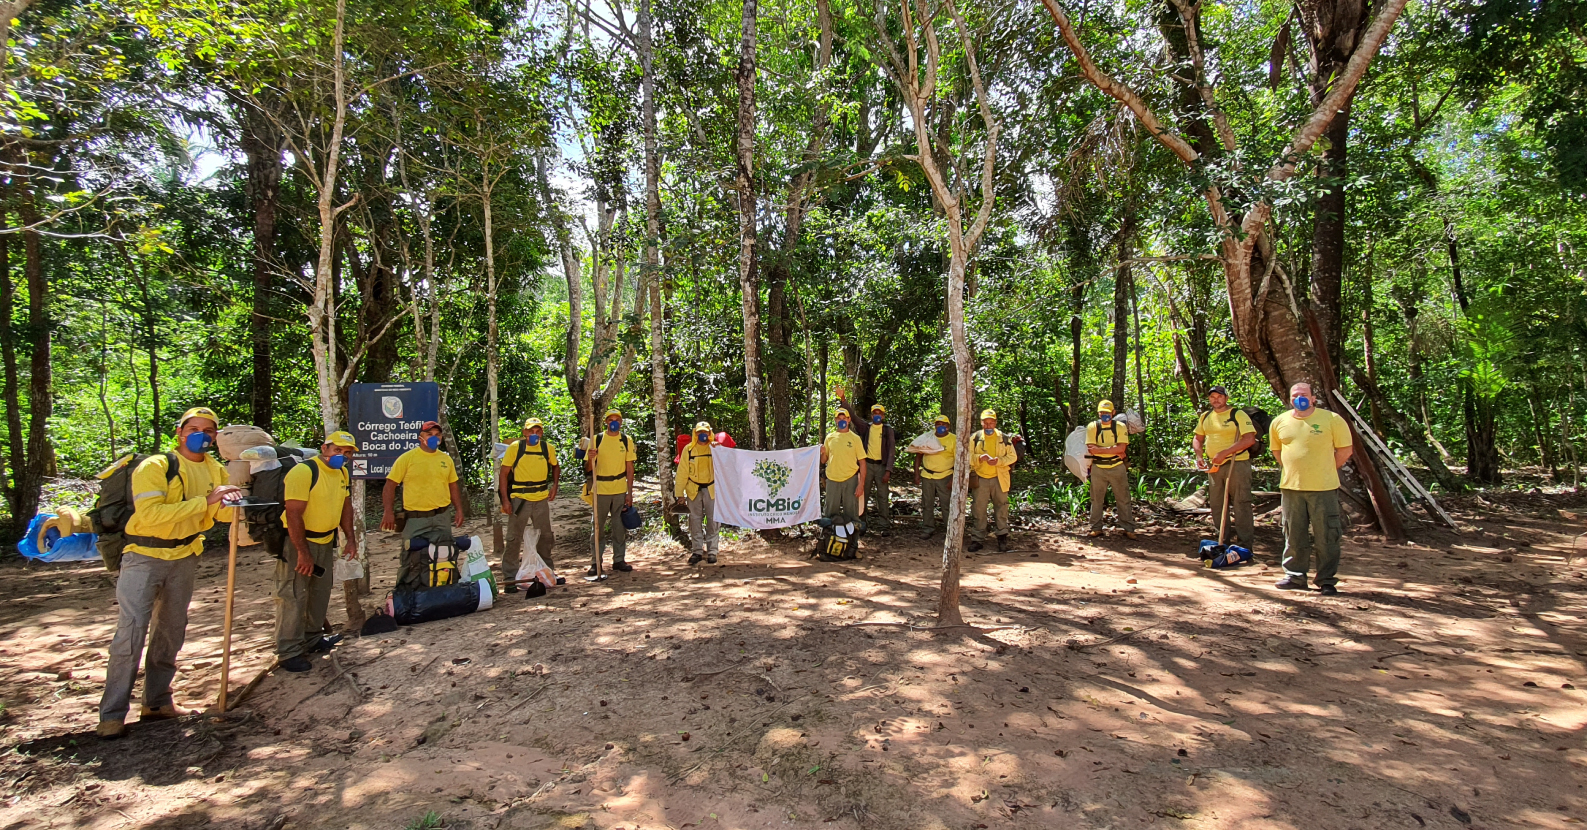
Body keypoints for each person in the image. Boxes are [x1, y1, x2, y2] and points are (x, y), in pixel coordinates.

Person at [97, 406, 240, 739]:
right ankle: (112, 715)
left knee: (171, 630)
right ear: (180, 432)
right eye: (194, 429)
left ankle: (157, 702)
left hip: (185, 555)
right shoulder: (156, 466)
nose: (202, 435)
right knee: (131, 633)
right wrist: (206, 502)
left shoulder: (216, 469)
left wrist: (234, 502)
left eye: (209, 430)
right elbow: (150, 515)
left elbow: (219, 515)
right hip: (144, 556)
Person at [276, 431, 359, 673]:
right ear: (325, 448)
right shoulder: (304, 472)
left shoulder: (342, 473)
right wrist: (302, 552)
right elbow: (293, 513)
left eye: (347, 452)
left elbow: (345, 506)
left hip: (325, 540)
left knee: (320, 592)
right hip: (299, 542)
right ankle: (289, 650)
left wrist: (350, 539)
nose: (342, 456)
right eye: (338, 450)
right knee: (294, 594)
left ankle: (312, 638)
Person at [1270, 382, 1353, 594]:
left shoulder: (1332, 419)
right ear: (1290, 399)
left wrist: (1325, 469)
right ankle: (1295, 576)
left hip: (1323, 488)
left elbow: (1345, 450)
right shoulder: (1279, 422)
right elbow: (1277, 452)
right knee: (1293, 533)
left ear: (1313, 398)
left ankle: (1326, 580)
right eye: (1295, 395)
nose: (1300, 398)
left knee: (1326, 534)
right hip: (1291, 488)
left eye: (1304, 395)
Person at [380, 420, 464, 591]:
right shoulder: (407, 458)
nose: (434, 438)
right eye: (429, 434)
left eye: (437, 435)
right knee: (410, 557)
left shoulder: (445, 459)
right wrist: (388, 511)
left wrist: (459, 509)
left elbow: (453, 485)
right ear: (421, 437)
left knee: (444, 554)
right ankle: (404, 593)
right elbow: (390, 485)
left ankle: (444, 591)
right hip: (415, 519)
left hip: (441, 516)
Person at [498, 418, 560, 592]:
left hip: (541, 498)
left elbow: (555, 466)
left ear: (542, 433)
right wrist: (505, 500)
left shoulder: (547, 448)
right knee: (513, 538)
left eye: (538, 431)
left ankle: (547, 572)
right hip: (520, 499)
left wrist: (555, 486)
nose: (534, 434)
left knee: (545, 537)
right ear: (524, 432)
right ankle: (510, 578)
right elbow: (504, 474)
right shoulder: (515, 448)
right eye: (531, 431)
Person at [1193, 385, 1257, 550]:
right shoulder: (1206, 416)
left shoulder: (1238, 414)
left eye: (1219, 396)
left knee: (1241, 503)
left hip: (1237, 463)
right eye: (1212, 397)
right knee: (1217, 504)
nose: (1216, 400)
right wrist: (1199, 456)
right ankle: (1222, 541)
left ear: (1226, 398)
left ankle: (1244, 546)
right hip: (1214, 466)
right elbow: (1198, 438)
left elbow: (1249, 439)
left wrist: (1225, 453)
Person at [588, 408, 637, 574]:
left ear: (621, 422)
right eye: (610, 420)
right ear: (606, 422)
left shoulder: (626, 440)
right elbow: (588, 468)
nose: (614, 423)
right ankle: (596, 562)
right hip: (600, 488)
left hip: (619, 489)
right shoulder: (596, 439)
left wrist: (629, 493)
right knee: (597, 527)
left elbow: (629, 467)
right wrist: (591, 457)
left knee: (619, 527)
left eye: (617, 420)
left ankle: (619, 560)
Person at [967, 409, 1016, 552]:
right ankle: (977, 539)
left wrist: (998, 461)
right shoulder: (974, 438)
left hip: (999, 478)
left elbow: (1012, 457)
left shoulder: (1004, 438)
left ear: (995, 422)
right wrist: (978, 458)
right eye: (986, 423)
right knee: (979, 509)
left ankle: (1002, 537)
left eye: (991, 422)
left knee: (1001, 507)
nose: (988, 426)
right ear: (981, 423)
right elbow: (965, 456)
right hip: (980, 478)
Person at [1086, 400, 1137, 539]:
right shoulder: (1092, 427)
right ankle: (1096, 528)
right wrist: (1112, 449)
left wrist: (1100, 450)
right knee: (1096, 499)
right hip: (1098, 468)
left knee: (1123, 498)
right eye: (1102, 412)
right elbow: (1091, 449)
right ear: (1098, 413)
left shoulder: (1120, 426)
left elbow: (1122, 448)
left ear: (1113, 412)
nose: (1105, 415)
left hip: (1117, 467)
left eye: (1107, 412)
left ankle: (1128, 528)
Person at [675, 421, 719, 565]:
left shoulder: (715, 449)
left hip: (711, 489)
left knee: (713, 520)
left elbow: (726, 467)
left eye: (705, 432)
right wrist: (679, 494)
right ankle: (697, 551)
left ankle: (712, 551)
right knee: (694, 521)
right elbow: (682, 473)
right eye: (700, 432)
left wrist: (719, 448)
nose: (702, 434)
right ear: (695, 433)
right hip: (693, 489)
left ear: (709, 433)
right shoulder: (689, 449)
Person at [914, 414, 956, 540]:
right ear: (935, 425)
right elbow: (918, 455)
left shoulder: (954, 440)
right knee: (927, 504)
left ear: (948, 426)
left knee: (946, 504)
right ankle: (928, 528)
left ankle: (950, 531)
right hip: (927, 475)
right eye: (938, 424)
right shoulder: (928, 437)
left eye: (943, 424)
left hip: (945, 475)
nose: (941, 426)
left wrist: (953, 479)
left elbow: (959, 461)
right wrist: (916, 473)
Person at [820, 408, 866, 521]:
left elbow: (862, 463)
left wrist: (861, 485)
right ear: (835, 420)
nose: (841, 421)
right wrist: (822, 452)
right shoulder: (830, 437)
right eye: (839, 418)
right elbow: (823, 460)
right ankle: (828, 531)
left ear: (849, 419)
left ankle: (852, 532)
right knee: (830, 512)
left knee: (851, 513)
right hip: (832, 478)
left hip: (850, 479)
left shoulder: (855, 438)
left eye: (844, 418)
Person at [858, 404, 897, 534]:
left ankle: (884, 525)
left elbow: (891, 451)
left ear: (883, 416)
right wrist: (843, 400)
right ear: (871, 415)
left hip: (881, 466)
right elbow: (854, 419)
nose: (877, 415)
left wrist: (888, 470)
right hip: (867, 465)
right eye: (875, 413)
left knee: (882, 496)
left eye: (879, 413)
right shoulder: (867, 428)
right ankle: (862, 523)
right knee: (863, 495)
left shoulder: (887, 430)